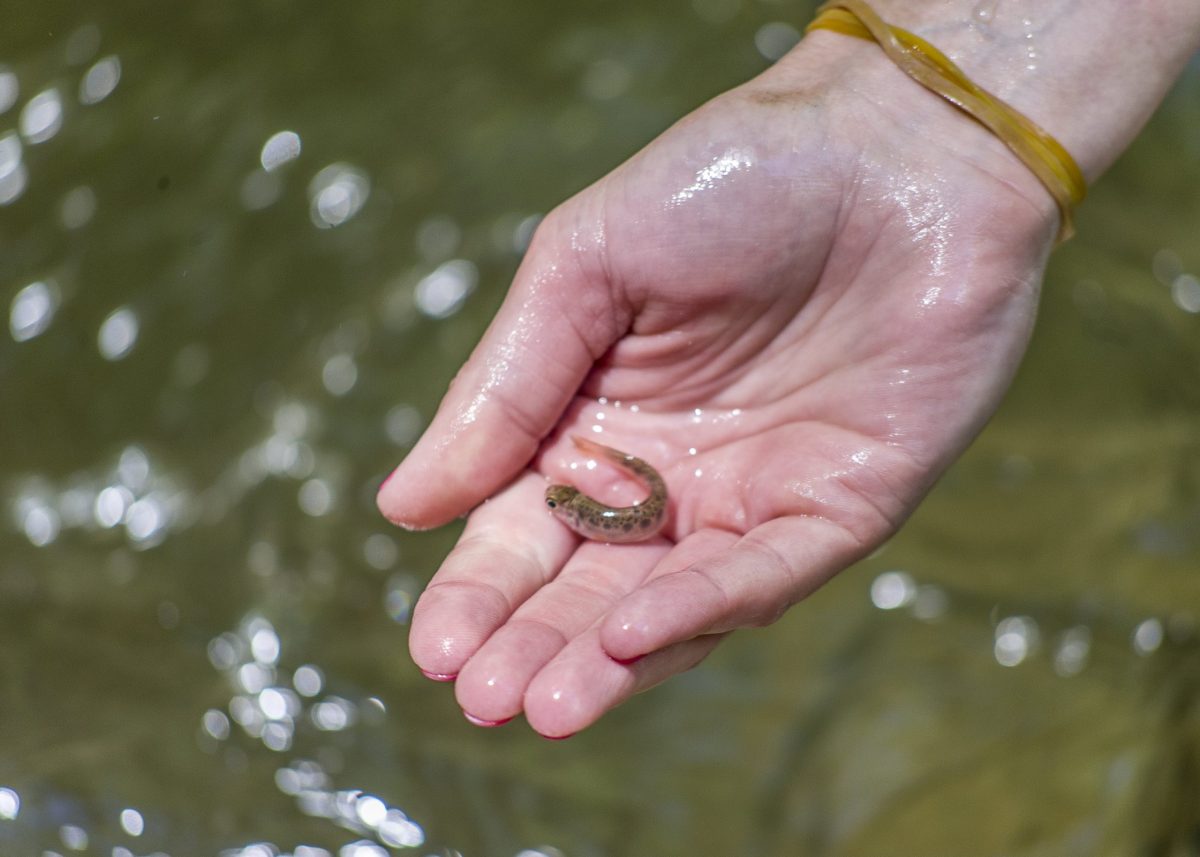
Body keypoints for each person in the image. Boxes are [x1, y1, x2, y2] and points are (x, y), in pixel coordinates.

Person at [377, 0, 1200, 738]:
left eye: (569, 501)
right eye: (573, 505)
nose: (567, 507)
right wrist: (898, 100)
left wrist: (900, 106)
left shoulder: (615, 499)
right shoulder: (608, 503)